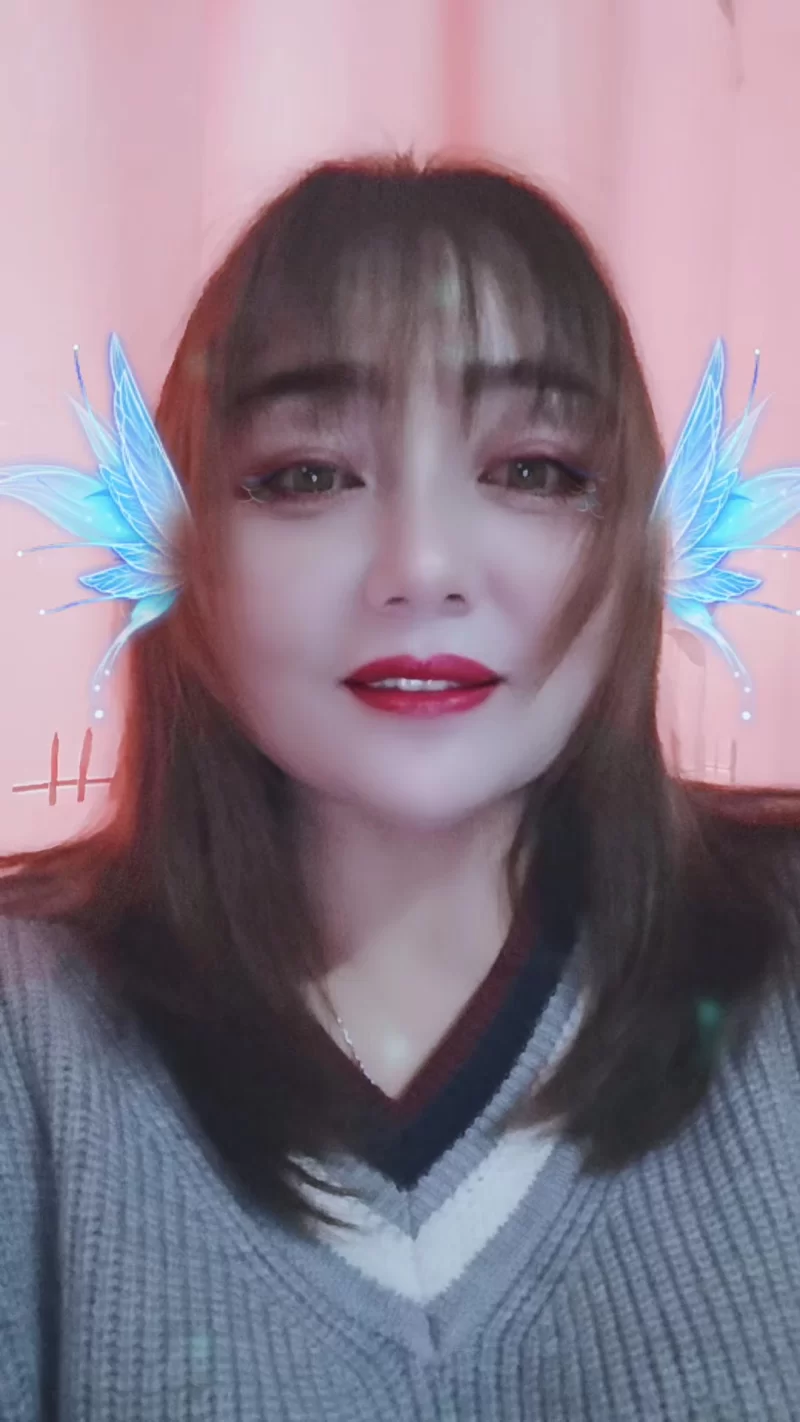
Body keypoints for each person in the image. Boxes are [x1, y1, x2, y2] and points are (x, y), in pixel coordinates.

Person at [1, 155, 799, 1422]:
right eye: (306, 475)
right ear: (174, 547)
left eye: (533, 469)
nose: (421, 568)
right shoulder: (29, 1033)